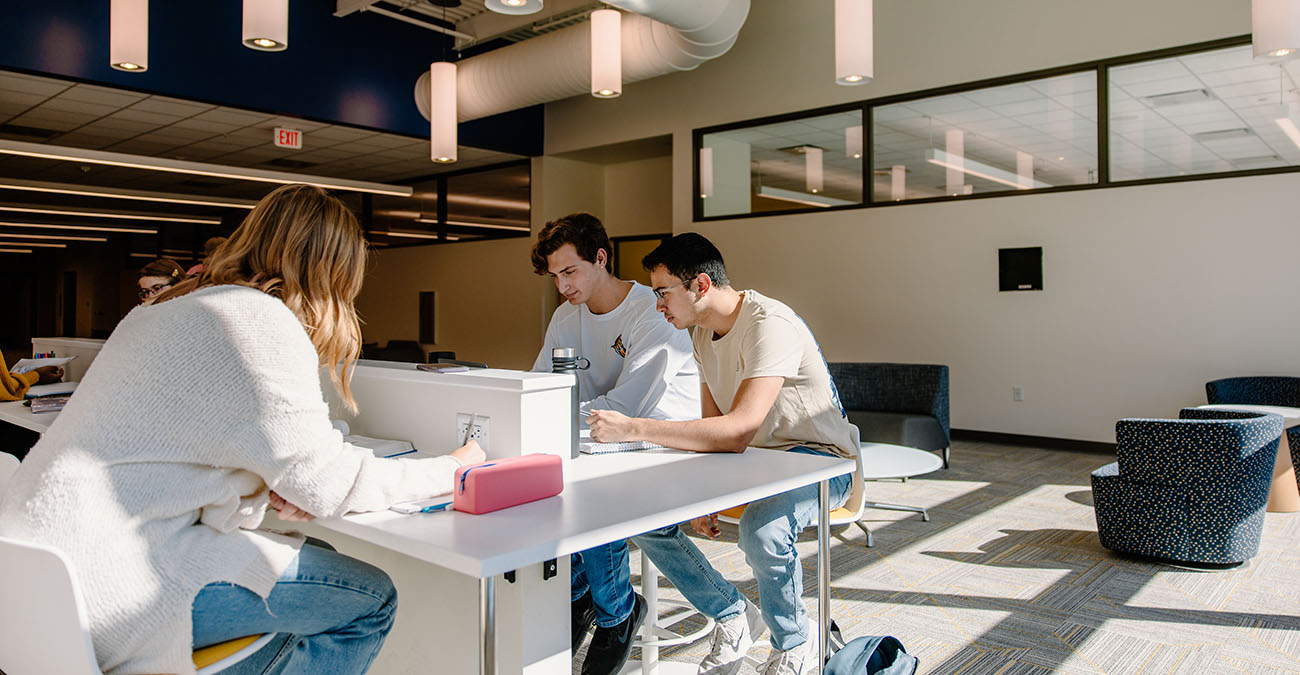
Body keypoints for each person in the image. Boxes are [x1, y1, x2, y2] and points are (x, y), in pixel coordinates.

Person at [0, 184, 485, 675]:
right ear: (333, 271)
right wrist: (455, 467)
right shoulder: (259, 321)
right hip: (115, 582)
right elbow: (330, 483)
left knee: (317, 553)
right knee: (370, 598)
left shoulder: (163, 307)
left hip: (31, 570)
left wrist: (274, 476)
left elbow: (195, 438)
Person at [587, 233, 857, 675]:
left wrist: (631, 428)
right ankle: (732, 613)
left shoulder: (770, 323)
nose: (657, 305)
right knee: (644, 514)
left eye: (663, 292)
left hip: (822, 460)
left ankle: (795, 642)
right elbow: (713, 431)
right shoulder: (700, 332)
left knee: (762, 529)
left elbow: (736, 430)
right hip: (759, 464)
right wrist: (704, 492)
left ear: (701, 286)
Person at [529, 213, 700, 675]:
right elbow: (540, 387)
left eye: (570, 271)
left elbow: (630, 406)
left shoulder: (652, 310)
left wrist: (555, 418)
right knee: (545, 483)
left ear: (600, 258)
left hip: (665, 445)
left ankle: (617, 611)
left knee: (588, 486)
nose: (562, 286)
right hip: (598, 440)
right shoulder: (566, 317)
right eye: (554, 276)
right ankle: (580, 593)